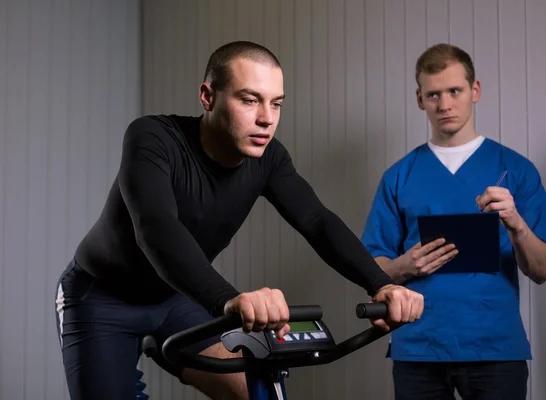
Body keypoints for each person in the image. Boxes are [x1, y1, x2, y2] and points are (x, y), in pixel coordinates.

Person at [54, 40, 424, 400]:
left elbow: (316, 221)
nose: (266, 118)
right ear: (207, 96)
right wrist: (227, 300)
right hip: (101, 297)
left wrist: (380, 284)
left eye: (276, 104)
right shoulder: (153, 137)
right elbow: (156, 228)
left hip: (174, 299)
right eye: (249, 100)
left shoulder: (270, 159)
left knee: (251, 390)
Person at [361, 43, 546, 400]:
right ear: (419, 99)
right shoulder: (399, 177)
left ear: (475, 91)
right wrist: (404, 265)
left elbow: (543, 269)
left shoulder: (514, 170)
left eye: (454, 91)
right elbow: (373, 267)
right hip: (419, 347)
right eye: (433, 94)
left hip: (495, 348)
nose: (444, 104)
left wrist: (515, 222)